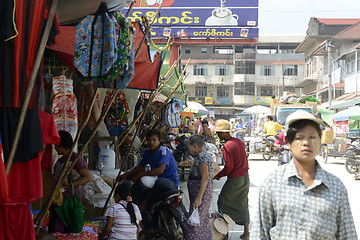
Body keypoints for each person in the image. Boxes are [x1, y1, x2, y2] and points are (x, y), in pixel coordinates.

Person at [251, 110, 358, 239]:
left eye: (312, 137)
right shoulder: (272, 182)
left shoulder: (336, 186)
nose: (306, 143)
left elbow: (348, 234)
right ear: (289, 143)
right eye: (299, 138)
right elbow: (260, 232)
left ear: (320, 141)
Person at [117, 129, 179, 232]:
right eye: (149, 140)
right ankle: (148, 227)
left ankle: (146, 202)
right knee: (135, 199)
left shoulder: (165, 151)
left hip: (169, 183)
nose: (151, 142)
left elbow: (160, 170)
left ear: (159, 140)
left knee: (158, 183)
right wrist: (125, 174)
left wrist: (141, 174)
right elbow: (141, 166)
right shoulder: (147, 153)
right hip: (158, 184)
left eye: (154, 140)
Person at [49, 130, 91, 233]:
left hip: (70, 200)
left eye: (57, 146)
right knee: (56, 227)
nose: (55, 149)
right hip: (57, 199)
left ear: (62, 145)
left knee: (67, 226)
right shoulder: (60, 161)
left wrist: (70, 184)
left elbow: (87, 177)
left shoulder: (76, 160)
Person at [214, 120, 250, 240]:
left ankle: (223, 233)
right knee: (243, 203)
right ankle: (246, 233)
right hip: (245, 177)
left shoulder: (227, 145)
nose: (218, 135)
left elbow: (229, 168)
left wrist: (217, 175)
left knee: (222, 202)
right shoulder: (238, 141)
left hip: (235, 179)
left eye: (219, 133)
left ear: (224, 133)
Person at [185, 135, 216, 240]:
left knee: (194, 223)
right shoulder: (205, 155)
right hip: (201, 193)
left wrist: (199, 197)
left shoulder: (202, 157)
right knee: (201, 221)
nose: (188, 150)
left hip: (200, 194)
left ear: (195, 146)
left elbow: (205, 177)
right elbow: (216, 169)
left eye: (188, 147)